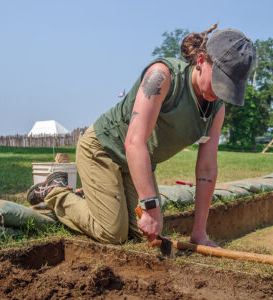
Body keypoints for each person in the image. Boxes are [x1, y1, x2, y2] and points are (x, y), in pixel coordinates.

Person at [27, 24, 256, 246]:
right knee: (112, 233)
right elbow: (134, 142)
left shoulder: (216, 109)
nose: (219, 93)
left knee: (144, 234)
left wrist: (198, 233)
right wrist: (150, 206)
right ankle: (54, 191)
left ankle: (99, 195)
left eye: (228, 88)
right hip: (103, 150)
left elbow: (207, 168)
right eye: (219, 82)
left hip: (136, 164)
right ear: (201, 61)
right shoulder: (163, 76)